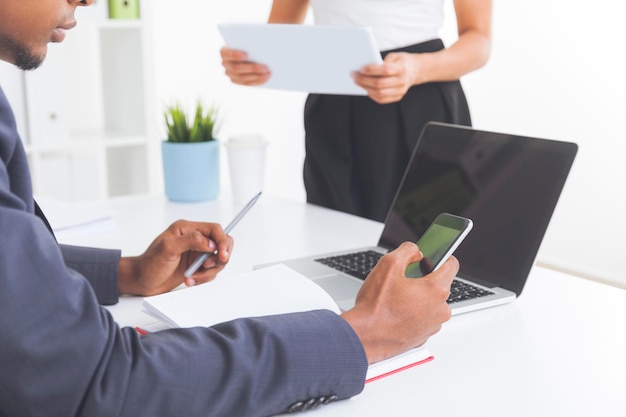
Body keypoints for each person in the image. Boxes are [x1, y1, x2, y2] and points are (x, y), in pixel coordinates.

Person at [0, 1, 458, 416]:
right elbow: (100, 382)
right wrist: (364, 334)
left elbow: (12, 266)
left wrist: (127, 273)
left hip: (416, 107)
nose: (90, 0)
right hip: (337, 117)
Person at [221, 0, 492, 222]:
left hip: (421, 99)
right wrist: (254, 62)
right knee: (332, 240)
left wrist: (417, 70)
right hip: (334, 102)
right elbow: (279, 32)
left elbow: (479, 40)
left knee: (428, 244)